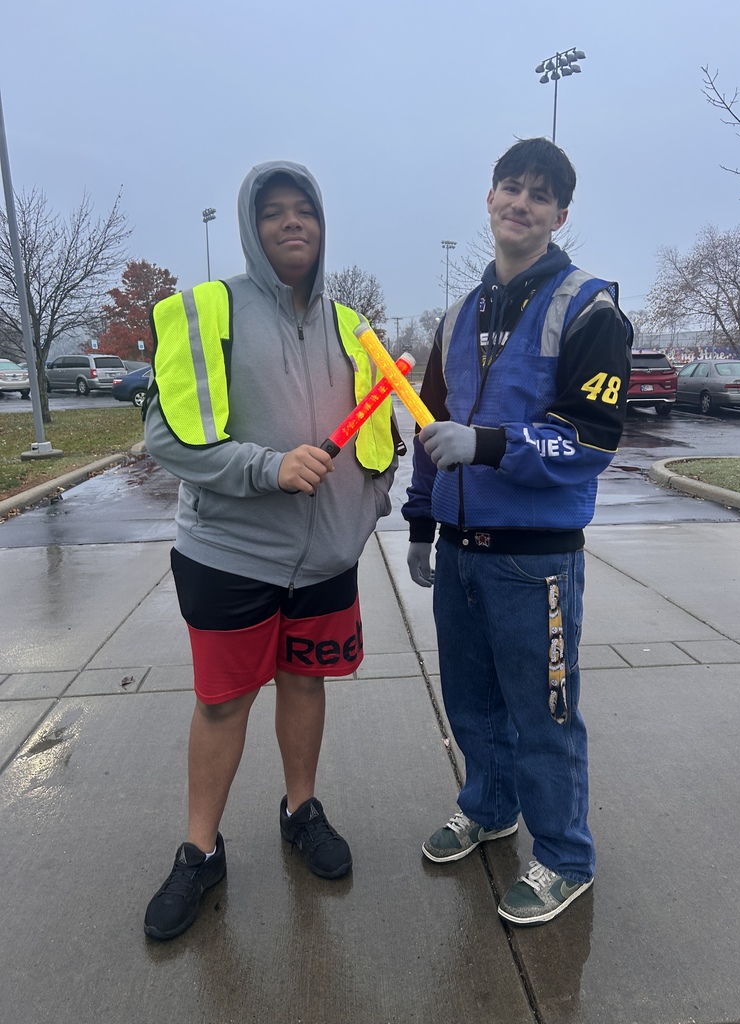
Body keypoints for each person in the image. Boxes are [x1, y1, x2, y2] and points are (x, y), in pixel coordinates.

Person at [142, 160, 399, 941]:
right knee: (222, 704)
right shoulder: (205, 310)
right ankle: (198, 850)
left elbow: (379, 438)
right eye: (274, 213)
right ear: (252, 229)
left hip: (324, 560)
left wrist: (366, 511)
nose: (293, 223)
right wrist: (267, 468)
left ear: (323, 226)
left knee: (306, 684)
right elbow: (167, 438)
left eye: (305, 211)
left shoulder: (353, 326)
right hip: (228, 555)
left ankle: (300, 810)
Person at [403, 138, 632, 926]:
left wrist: (493, 444)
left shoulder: (590, 306)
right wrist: (421, 522)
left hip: (534, 563)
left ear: (559, 215)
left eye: (540, 195)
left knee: (544, 714)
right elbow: (430, 425)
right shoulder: (459, 313)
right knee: (471, 702)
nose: (522, 203)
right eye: (512, 187)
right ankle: (488, 805)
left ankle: (566, 856)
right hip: (462, 552)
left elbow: (594, 438)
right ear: (490, 197)